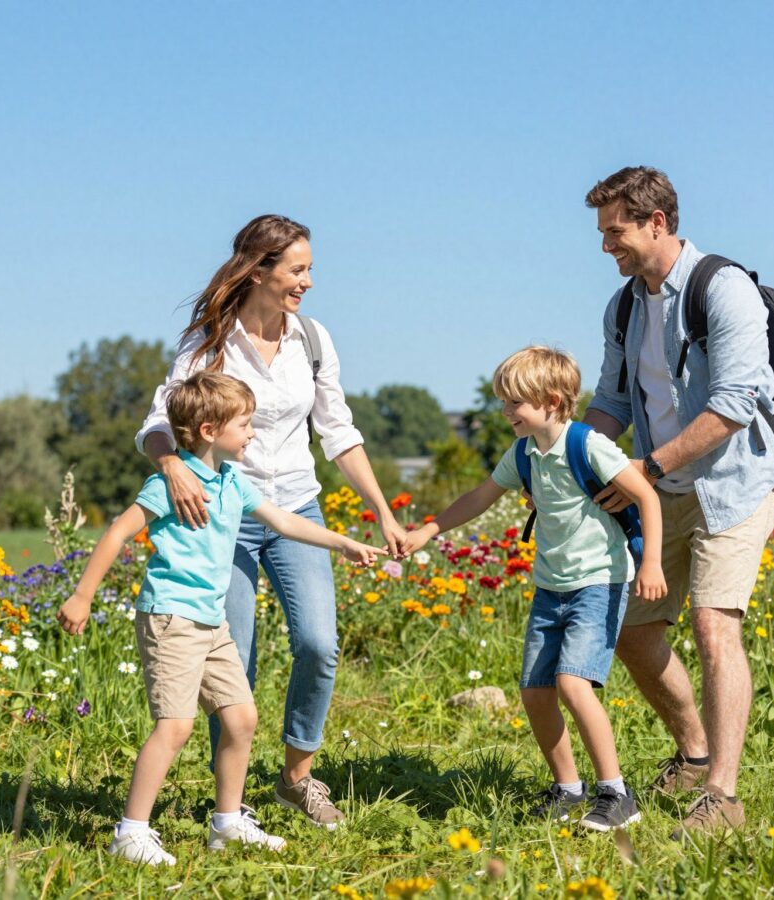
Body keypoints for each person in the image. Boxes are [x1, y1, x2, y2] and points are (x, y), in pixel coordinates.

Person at [135, 214, 405, 828]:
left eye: (309, 268)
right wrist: (174, 467)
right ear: (259, 270)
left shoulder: (312, 340)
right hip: (221, 513)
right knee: (235, 657)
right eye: (298, 269)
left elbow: (338, 434)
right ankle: (230, 802)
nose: (308, 281)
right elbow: (159, 421)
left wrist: (382, 511)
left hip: (297, 506)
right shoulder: (209, 341)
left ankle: (295, 778)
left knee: (319, 643)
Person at [58, 372, 380, 866]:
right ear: (209, 430)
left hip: (211, 623)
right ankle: (131, 832)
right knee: (176, 727)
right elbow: (117, 534)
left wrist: (344, 543)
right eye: (246, 424)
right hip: (171, 618)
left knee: (241, 717)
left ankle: (228, 823)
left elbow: (284, 521)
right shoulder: (171, 483)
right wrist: (82, 596)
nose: (253, 433)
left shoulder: (233, 481)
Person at [583, 166, 774, 836]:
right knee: (633, 630)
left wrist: (645, 464)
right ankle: (695, 754)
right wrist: (574, 456)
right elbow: (613, 402)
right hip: (664, 489)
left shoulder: (723, 290)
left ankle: (721, 798)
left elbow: (733, 405)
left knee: (712, 625)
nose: (607, 245)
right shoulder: (623, 306)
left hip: (735, 483)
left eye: (616, 232)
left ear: (656, 223)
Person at [402, 346, 665, 831]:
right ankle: (568, 790)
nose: (505, 413)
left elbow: (646, 494)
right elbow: (480, 497)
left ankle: (616, 794)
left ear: (549, 401)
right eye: (504, 403)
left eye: (513, 404)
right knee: (535, 691)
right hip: (551, 588)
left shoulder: (587, 445)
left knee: (572, 683)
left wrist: (650, 563)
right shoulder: (523, 453)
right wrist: (428, 530)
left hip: (598, 582)